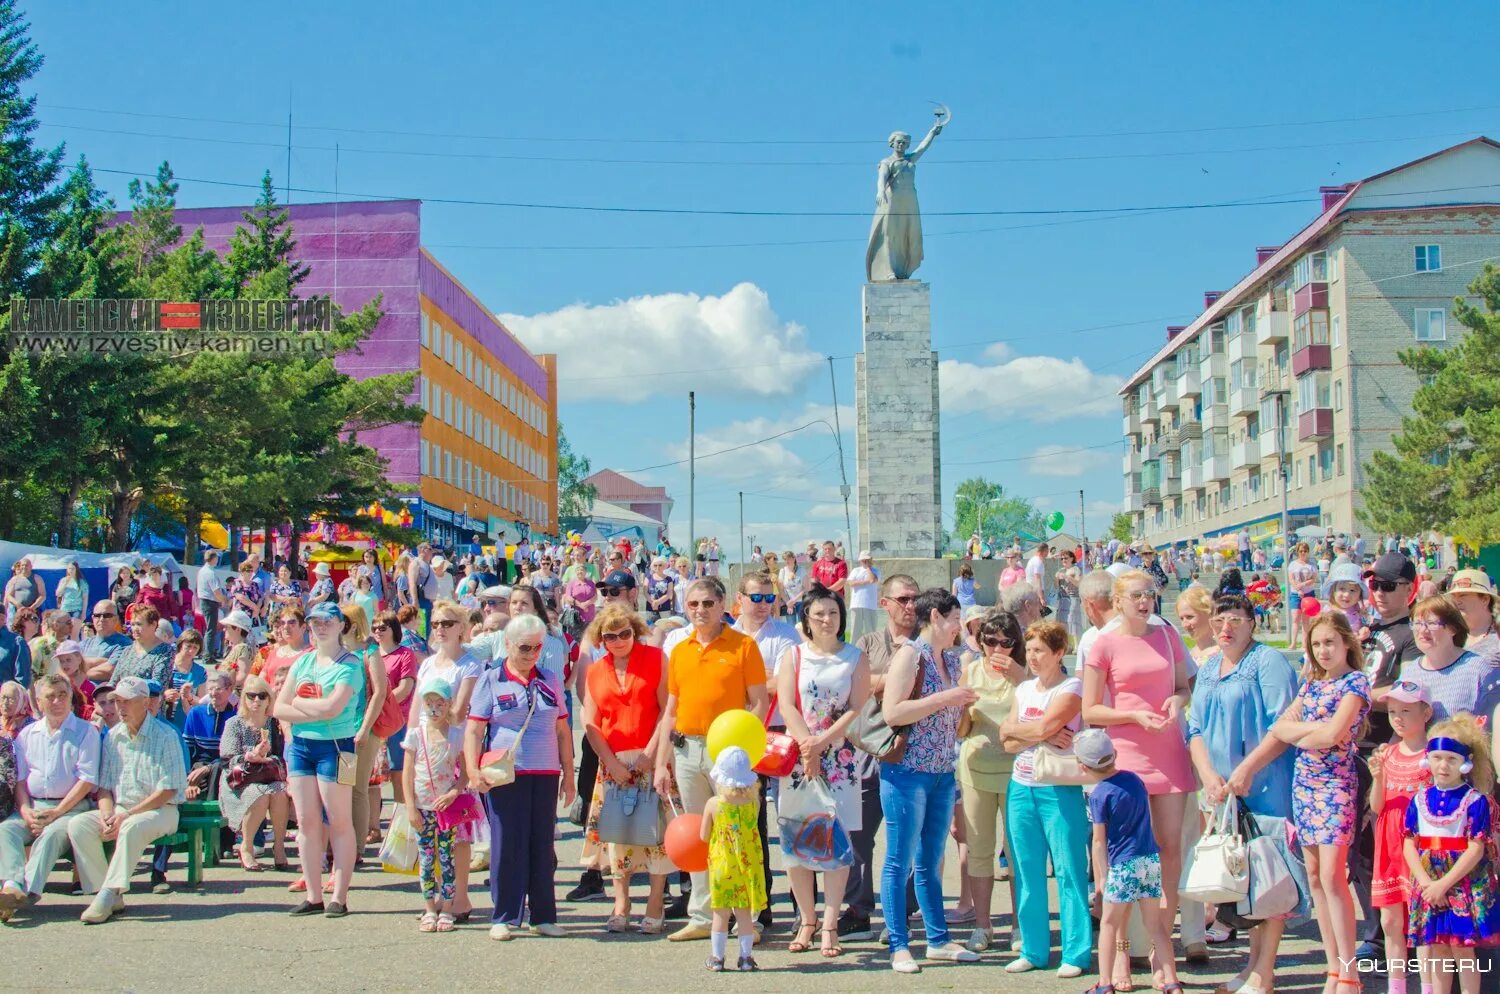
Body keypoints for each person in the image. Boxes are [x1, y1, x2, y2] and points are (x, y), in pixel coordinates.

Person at [1082, 569, 1193, 984]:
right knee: (1124, 857)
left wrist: (1177, 702)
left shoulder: (1167, 636)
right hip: (1127, 756)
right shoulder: (1104, 643)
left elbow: (1184, 687)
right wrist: (1132, 715)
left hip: (1168, 752)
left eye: (1150, 594)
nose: (1145, 601)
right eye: (1136, 595)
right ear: (1117, 599)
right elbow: (1091, 710)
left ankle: (1160, 950)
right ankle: (1122, 955)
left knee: (1169, 851)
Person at [1186, 593, 1299, 994]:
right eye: (1218, 621)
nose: (1225, 628)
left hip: (1264, 786)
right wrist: (1207, 773)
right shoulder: (1211, 666)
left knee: (1268, 880)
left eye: (1235, 620)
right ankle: (1252, 970)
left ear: (1252, 622)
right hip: (1220, 792)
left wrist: (1248, 768)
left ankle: (1263, 973)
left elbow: (1284, 724)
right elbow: (1194, 728)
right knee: (1242, 881)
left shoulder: (1268, 662)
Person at [651, 576, 769, 943]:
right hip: (687, 750)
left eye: (707, 603)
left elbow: (759, 702)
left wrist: (744, 754)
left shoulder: (743, 646)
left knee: (738, 834)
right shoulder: (680, 649)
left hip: (728, 754)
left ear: (722, 606)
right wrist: (661, 763)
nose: (700, 610)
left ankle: (748, 918)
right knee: (700, 835)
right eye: (692, 604)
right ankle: (702, 915)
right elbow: (671, 709)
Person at [878, 587, 980, 973]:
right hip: (907, 770)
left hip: (941, 770)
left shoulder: (952, 661)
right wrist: (945, 699)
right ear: (935, 617)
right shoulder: (910, 654)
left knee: (931, 859)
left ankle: (937, 939)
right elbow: (893, 712)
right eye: (955, 619)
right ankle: (899, 945)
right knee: (898, 858)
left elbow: (956, 723)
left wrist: (965, 705)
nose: (959, 627)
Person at [1272, 613, 1372, 994]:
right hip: (1305, 785)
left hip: (1336, 786)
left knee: (1333, 876)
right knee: (1314, 877)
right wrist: (1312, 733)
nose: (1323, 651)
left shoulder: (1355, 683)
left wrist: (1307, 733)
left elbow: (1333, 735)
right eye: (1316, 644)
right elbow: (1279, 727)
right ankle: (1333, 968)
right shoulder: (1311, 682)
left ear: (1346, 642)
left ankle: (1350, 972)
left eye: (1329, 642)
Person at [465, 613, 575, 942]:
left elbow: (562, 729)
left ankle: (543, 915)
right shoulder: (491, 678)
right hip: (505, 773)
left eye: (537, 648)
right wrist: (472, 770)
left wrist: (569, 774)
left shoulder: (549, 680)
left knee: (542, 844)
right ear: (509, 645)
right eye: (524, 648)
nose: (531, 654)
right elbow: (474, 728)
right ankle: (505, 916)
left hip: (544, 772)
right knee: (508, 842)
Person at [776, 584, 870, 958]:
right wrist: (806, 744)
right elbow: (786, 704)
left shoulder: (854, 657)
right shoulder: (794, 655)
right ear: (807, 620)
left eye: (833, 613)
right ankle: (806, 919)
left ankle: (830, 922)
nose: (827, 620)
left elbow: (855, 706)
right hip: (799, 760)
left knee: (837, 841)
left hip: (839, 758)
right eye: (819, 615)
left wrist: (822, 742)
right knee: (796, 842)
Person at [999, 620, 1090, 977]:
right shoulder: (1023, 691)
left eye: (1039, 651)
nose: (1032, 657)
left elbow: (1037, 728)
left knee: (1069, 870)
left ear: (1058, 653)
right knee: (1026, 870)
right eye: (1030, 650)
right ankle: (1035, 949)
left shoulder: (1071, 687)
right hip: (1021, 787)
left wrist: (1024, 731)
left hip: (1058, 787)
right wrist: (1032, 734)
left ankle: (1076, 952)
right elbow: (1007, 740)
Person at [66, 675, 187, 924]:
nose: (120, 707)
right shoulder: (113, 736)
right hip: (122, 808)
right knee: (78, 825)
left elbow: (168, 790)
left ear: (145, 702)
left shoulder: (166, 735)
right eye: (116, 700)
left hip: (161, 810)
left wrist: (127, 815)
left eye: (127, 701)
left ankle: (108, 894)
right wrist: (107, 813)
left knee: (131, 826)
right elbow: (105, 787)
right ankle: (108, 894)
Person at [580, 605, 671, 934]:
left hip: (652, 756)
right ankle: (622, 902)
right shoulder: (595, 670)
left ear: (635, 631)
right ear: (600, 638)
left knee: (656, 835)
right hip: (613, 762)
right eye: (610, 636)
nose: (618, 641)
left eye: (624, 634)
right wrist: (611, 763)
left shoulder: (656, 659)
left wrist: (650, 754)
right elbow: (590, 722)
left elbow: (666, 710)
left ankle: (655, 901)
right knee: (618, 836)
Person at [272, 600, 364, 917]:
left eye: (328, 620)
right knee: (307, 822)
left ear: (341, 625)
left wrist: (300, 704)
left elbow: (333, 709)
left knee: (339, 820)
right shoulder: (303, 663)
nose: (320, 626)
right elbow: (279, 708)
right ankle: (313, 895)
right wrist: (308, 707)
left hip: (337, 747)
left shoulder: (350, 664)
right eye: (315, 621)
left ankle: (339, 895)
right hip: (300, 746)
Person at [841, 572, 919, 940]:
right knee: (858, 834)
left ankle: (900, 912)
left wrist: (880, 681)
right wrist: (897, 680)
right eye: (902, 599)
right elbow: (855, 685)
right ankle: (858, 908)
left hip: (915, 751)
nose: (910, 605)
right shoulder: (867, 643)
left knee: (906, 836)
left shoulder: (926, 642)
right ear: (884, 603)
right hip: (869, 750)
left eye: (914, 598)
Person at [1077, 727, 1183, 994]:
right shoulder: (1135, 780)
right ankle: (1171, 981)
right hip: (1148, 861)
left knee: (1109, 925)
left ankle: (1104, 983)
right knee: (1155, 926)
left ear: (1082, 766)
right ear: (1114, 754)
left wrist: (1101, 879)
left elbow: (1099, 841)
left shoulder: (1099, 794)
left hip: (1122, 866)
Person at [1403, 716, 1500, 994]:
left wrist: (1443, 884)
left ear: (1465, 763)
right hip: (1428, 880)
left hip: (1460, 881)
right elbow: (1409, 843)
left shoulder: (1474, 801)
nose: (1443, 765)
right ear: (1428, 759)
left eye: (1451, 759)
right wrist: (1426, 884)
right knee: (1439, 950)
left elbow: (1476, 847)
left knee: (1462, 951)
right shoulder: (1419, 799)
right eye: (1437, 757)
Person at [0, 674, 100, 920]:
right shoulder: (27, 734)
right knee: (6, 830)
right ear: (38, 701)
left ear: (71, 699)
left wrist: (56, 813)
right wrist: (25, 811)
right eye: (50, 696)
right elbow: (21, 780)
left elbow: (87, 781)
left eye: (62, 695)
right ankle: (12, 885)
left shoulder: (86, 732)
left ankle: (25, 891)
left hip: (72, 808)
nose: (57, 701)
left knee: (51, 835)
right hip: (34, 805)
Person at [956, 609, 1026, 954]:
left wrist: (1021, 677)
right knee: (980, 851)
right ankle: (983, 926)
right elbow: (959, 724)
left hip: (1018, 773)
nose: (997, 647)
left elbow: (1042, 708)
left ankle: (1019, 925)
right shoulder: (969, 670)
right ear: (980, 640)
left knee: (1018, 853)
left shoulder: (1024, 674)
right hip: (976, 768)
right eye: (990, 640)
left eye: (1006, 642)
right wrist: (961, 709)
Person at [1370, 682, 1433, 994]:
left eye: (1406, 710)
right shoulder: (1388, 753)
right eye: (1393, 711)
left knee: (1423, 924)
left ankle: (1429, 986)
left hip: (1420, 847)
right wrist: (1378, 777)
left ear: (1426, 712)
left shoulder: (1434, 755)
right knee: (1391, 922)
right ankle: (1397, 987)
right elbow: (1376, 806)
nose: (1398, 717)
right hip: (1389, 844)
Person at [403, 676, 472, 934]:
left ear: (449, 704)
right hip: (422, 806)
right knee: (426, 856)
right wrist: (411, 807)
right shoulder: (415, 736)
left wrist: (454, 793)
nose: (434, 709)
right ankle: (429, 907)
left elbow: (464, 774)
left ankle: (447, 907)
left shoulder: (455, 736)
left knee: (446, 857)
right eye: (429, 703)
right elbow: (407, 773)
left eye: (440, 703)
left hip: (446, 809)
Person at [701, 746, 766, 973]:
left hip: (722, 863)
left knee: (720, 912)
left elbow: (703, 834)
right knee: (744, 913)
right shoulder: (754, 803)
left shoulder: (714, 804)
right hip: (747, 864)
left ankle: (717, 958)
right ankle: (746, 958)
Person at [218, 673, 290, 872]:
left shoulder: (274, 724)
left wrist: (266, 758)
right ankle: (247, 847)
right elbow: (227, 759)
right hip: (240, 779)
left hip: (268, 775)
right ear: (244, 699)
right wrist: (250, 756)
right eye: (251, 696)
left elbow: (281, 755)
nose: (256, 700)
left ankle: (279, 847)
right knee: (259, 795)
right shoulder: (234, 723)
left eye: (262, 696)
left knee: (279, 793)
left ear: (269, 699)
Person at [342, 603, 390, 856]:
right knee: (340, 787)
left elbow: (380, 692)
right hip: (336, 731)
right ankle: (340, 844)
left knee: (356, 789)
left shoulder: (369, 651)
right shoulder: (335, 651)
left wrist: (365, 728)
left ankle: (357, 848)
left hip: (362, 730)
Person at [1398, 596, 1485, 724]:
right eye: (1417, 623)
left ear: (1453, 629)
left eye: (1432, 623)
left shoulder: (1478, 668)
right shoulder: (1410, 672)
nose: (1422, 630)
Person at [374, 611, 418, 810]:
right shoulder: (370, 655)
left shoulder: (405, 654)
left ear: (394, 629)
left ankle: (402, 813)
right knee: (374, 774)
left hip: (398, 719)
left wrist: (380, 706)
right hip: (372, 720)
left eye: (383, 628)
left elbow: (405, 688)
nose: (378, 632)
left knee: (399, 768)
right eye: (375, 628)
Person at [110, 605, 173, 688]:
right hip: (122, 699)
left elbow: (158, 684)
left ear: (153, 624)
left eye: (139, 624)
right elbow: (114, 681)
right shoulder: (127, 650)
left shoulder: (165, 651)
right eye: (132, 624)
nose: (135, 629)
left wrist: (127, 685)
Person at [1448, 570, 1500, 667]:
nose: (1456, 601)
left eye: (1463, 595)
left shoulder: (1497, 637)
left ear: (1485, 600)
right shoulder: (1448, 633)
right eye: (1453, 596)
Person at [162, 630, 207, 732]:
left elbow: (201, 702)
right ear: (180, 645)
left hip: (185, 722)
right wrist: (164, 694)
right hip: (163, 718)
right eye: (188, 646)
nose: (191, 651)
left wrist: (189, 696)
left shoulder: (200, 671)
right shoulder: (166, 664)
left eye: (195, 647)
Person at [847, 552, 881, 642]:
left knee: (871, 630)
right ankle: (854, 649)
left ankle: (872, 648)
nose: (865, 561)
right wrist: (865, 582)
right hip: (856, 604)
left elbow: (872, 580)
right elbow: (851, 583)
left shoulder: (876, 571)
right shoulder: (855, 570)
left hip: (870, 605)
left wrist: (868, 569)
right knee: (855, 630)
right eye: (864, 560)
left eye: (867, 560)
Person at [1289, 544, 1319, 647]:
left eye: (1305, 551)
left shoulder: (1312, 565)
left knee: (1306, 619)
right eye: (1301, 551)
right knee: (1295, 618)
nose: (1303, 553)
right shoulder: (1293, 564)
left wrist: (1303, 584)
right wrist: (1298, 589)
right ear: (1298, 552)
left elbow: (1314, 578)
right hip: (1295, 594)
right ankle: (1293, 642)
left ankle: (1305, 642)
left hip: (1308, 593)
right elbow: (1291, 579)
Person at [4, 559, 42, 628]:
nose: (24, 567)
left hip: (32, 610)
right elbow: (8, 595)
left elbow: (42, 595)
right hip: (18, 610)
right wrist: (18, 604)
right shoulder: (14, 579)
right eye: (22, 565)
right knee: (17, 628)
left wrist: (33, 606)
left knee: (32, 629)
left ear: (31, 567)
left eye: (26, 565)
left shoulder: (37, 578)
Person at [779, 551, 805, 623]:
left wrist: (794, 600)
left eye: (789, 559)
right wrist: (788, 603)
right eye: (785, 559)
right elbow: (781, 589)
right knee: (791, 626)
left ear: (794, 559)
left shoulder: (801, 569)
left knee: (801, 626)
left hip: (800, 602)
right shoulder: (782, 571)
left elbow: (805, 588)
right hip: (788, 603)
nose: (787, 561)